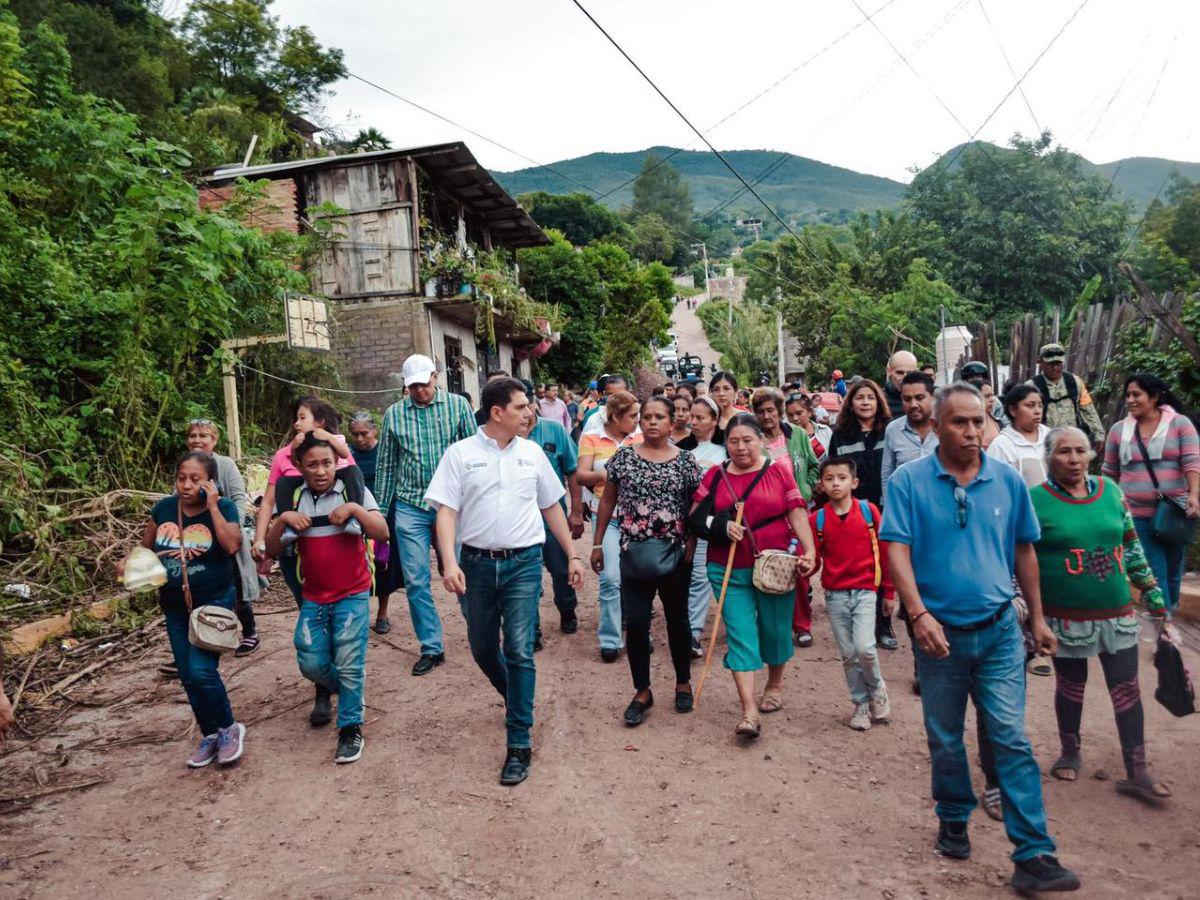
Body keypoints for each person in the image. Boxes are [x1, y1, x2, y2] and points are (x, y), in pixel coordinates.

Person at [881, 382, 1081, 894]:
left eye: (978, 422)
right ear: (937, 427)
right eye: (960, 422)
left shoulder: (1007, 481)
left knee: (1011, 738)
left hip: (999, 632)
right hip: (938, 638)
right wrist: (917, 614)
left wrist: (1038, 618)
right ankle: (953, 816)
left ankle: (1033, 853)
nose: (972, 431)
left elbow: (1024, 550)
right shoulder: (908, 481)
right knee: (946, 738)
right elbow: (896, 548)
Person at [426, 378, 584, 786]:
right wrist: (448, 562)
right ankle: (516, 697)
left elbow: (551, 506)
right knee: (482, 648)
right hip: (476, 565)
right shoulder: (460, 454)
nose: (529, 412)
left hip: (523, 563)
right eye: (520, 406)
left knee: (518, 648)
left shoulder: (532, 454)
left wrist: (572, 554)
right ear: (497, 413)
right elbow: (446, 511)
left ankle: (518, 742)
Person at [1033, 426, 1172, 800]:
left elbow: (1132, 547)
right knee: (1071, 686)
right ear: (1049, 457)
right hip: (1064, 617)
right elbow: (1023, 559)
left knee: (1127, 688)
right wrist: (1034, 615)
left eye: (1080, 451)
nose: (1074, 459)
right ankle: (1069, 751)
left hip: (1117, 613)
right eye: (1064, 451)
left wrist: (1154, 596)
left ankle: (1137, 770)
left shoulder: (1111, 491)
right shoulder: (1036, 500)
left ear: (1091, 455)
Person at [689, 415, 816, 738]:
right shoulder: (715, 475)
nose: (741, 447)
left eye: (748, 440)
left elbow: (796, 510)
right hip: (727, 566)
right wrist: (721, 526)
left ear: (761, 440)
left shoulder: (778, 471)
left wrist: (810, 550)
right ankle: (748, 711)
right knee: (740, 634)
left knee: (775, 629)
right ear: (726, 444)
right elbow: (695, 516)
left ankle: (774, 684)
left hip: (775, 565)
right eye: (734, 441)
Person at [265, 434, 388, 764]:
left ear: (337, 463)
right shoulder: (293, 497)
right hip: (315, 595)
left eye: (327, 463)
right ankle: (346, 688)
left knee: (349, 661)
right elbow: (273, 548)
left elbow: (382, 532)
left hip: (353, 592)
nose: (321, 471)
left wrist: (354, 509)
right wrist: (283, 520)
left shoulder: (354, 491)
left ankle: (350, 727)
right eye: (312, 465)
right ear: (299, 467)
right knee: (310, 661)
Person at [118, 452, 246, 768]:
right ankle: (210, 734)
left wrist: (213, 505)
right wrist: (128, 563)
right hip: (175, 607)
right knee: (188, 675)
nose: (186, 485)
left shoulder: (224, 508)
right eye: (181, 478)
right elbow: (146, 548)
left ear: (210, 482)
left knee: (202, 671)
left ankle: (229, 728)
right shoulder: (163, 509)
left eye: (195, 479)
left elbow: (232, 546)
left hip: (214, 602)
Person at [593, 396, 702, 726]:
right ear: (640, 422)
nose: (653, 422)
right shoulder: (624, 457)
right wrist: (597, 543)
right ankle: (642, 691)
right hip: (634, 554)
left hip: (675, 554)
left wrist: (692, 543)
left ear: (672, 422)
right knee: (638, 624)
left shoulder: (686, 461)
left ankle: (683, 682)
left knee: (677, 621)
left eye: (660, 417)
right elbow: (608, 501)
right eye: (647, 417)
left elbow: (695, 506)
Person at [374, 354, 477, 676]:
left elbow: (474, 453)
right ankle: (431, 646)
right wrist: (380, 512)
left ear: (435, 377)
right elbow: (387, 464)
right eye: (413, 386)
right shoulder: (394, 414)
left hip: (452, 503)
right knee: (416, 580)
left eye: (423, 383)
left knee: (462, 571)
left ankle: (479, 632)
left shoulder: (458, 406)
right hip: (410, 504)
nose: (419, 390)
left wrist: (477, 499)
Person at [1101, 374, 1200, 613]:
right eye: (1128, 395)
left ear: (1154, 397)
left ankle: (1168, 616)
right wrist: (1107, 504)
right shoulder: (1118, 430)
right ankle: (1164, 622)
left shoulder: (1180, 424)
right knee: (1155, 571)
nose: (1130, 400)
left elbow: (1192, 462)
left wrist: (1194, 496)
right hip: (1135, 515)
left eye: (1136, 395)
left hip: (1175, 513)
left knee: (1174, 571)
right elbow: (1109, 471)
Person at [810, 458, 895, 731]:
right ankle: (860, 704)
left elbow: (885, 552)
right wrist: (803, 565)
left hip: (866, 591)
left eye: (842, 478)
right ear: (821, 484)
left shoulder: (869, 512)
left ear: (854, 482)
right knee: (848, 653)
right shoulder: (818, 519)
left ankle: (877, 689)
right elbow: (814, 559)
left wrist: (889, 591)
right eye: (829, 479)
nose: (836, 483)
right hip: (835, 594)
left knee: (865, 648)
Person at [253, 397, 361, 607]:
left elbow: (348, 464)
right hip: (298, 539)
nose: (296, 424)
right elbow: (267, 502)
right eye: (296, 418)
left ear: (320, 422)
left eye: (302, 418)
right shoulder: (285, 455)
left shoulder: (335, 443)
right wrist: (259, 539)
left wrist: (355, 510)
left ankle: (354, 521)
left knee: (340, 600)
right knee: (306, 601)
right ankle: (289, 530)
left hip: (334, 534)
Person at [826, 379, 895, 650]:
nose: (865, 402)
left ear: (879, 402)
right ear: (850, 403)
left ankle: (884, 625)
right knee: (861, 566)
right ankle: (859, 623)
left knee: (884, 563)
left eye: (870, 397)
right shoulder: (840, 435)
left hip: (886, 508)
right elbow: (834, 473)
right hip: (855, 511)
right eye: (859, 397)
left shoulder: (890, 431)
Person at [184, 419, 260, 657]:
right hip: (198, 539)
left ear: (214, 440)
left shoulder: (224, 465)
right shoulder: (186, 466)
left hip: (226, 536)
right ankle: (205, 638)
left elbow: (238, 498)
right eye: (193, 435)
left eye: (203, 436)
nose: (197, 440)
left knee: (235, 585)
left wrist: (233, 528)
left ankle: (249, 632)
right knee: (200, 587)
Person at [753, 387, 820, 647]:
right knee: (769, 570)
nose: (766, 416)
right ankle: (775, 626)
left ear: (779, 411)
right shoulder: (754, 441)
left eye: (771, 410)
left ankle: (802, 625)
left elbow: (814, 466)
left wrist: (807, 489)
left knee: (800, 568)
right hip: (769, 517)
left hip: (799, 513)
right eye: (760, 411)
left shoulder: (798, 435)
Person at [578, 391, 642, 660]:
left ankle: (640, 635)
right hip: (605, 517)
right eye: (633, 416)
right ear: (616, 417)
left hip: (638, 519)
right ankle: (610, 639)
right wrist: (606, 475)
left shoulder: (640, 438)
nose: (638, 420)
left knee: (638, 579)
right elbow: (581, 475)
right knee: (610, 578)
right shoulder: (591, 437)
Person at [518, 392, 586, 641]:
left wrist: (576, 511)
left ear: (534, 404)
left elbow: (572, 470)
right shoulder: (506, 437)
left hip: (552, 517)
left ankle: (567, 610)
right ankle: (531, 628)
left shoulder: (554, 430)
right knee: (526, 575)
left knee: (560, 569)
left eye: (527, 405)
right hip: (520, 520)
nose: (524, 412)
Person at [677, 396, 726, 656]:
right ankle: (692, 633)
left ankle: (736, 628)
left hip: (721, 523)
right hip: (692, 524)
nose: (693, 422)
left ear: (715, 420)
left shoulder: (726, 449)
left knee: (721, 577)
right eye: (692, 417)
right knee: (695, 577)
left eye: (700, 417)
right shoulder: (681, 450)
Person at [347, 411, 397, 636]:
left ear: (374, 430)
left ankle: (382, 614)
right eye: (355, 434)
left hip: (382, 514)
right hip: (356, 516)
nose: (360, 438)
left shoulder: (384, 452)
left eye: (364, 433)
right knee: (356, 565)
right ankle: (359, 614)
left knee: (383, 564)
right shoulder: (347, 454)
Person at [1031, 343, 1104, 445]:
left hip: (1072, 440)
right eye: (1050, 364)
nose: (1055, 367)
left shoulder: (1075, 382)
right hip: (1044, 442)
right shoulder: (1032, 386)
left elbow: (1088, 410)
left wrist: (1099, 434)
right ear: (1041, 362)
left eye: (1058, 363)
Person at [880, 372, 938, 501]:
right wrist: (890, 506)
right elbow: (887, 475)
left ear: (932, 397)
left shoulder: (947, 428)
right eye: (907, 399)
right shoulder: (893, 430)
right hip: (905, 505)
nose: (913, 404)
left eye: (919, 398)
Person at [988, 384, 1050, 488]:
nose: (1037, 411)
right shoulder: (1001, 446)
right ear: (1013, 410)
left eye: (1040, 406)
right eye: (1030, 406)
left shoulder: (1049, 436)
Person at [785, 392, 832, 460]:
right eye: (790, 415)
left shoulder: (825, 431)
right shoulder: (784, 439)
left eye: (799, 413)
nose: (795, 418)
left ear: (809, 412)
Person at [883, 350, 918, 420]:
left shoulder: (930, 396)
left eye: (910, 373)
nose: (905, 377)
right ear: (889, 371)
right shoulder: (880, 399)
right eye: (899, 373)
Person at [709, 371, 744, 439]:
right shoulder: (706, 420)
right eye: (716, 389)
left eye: (726, 388)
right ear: (711, 392)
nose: (721, 394)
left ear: (735, 391)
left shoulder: (746, 418)